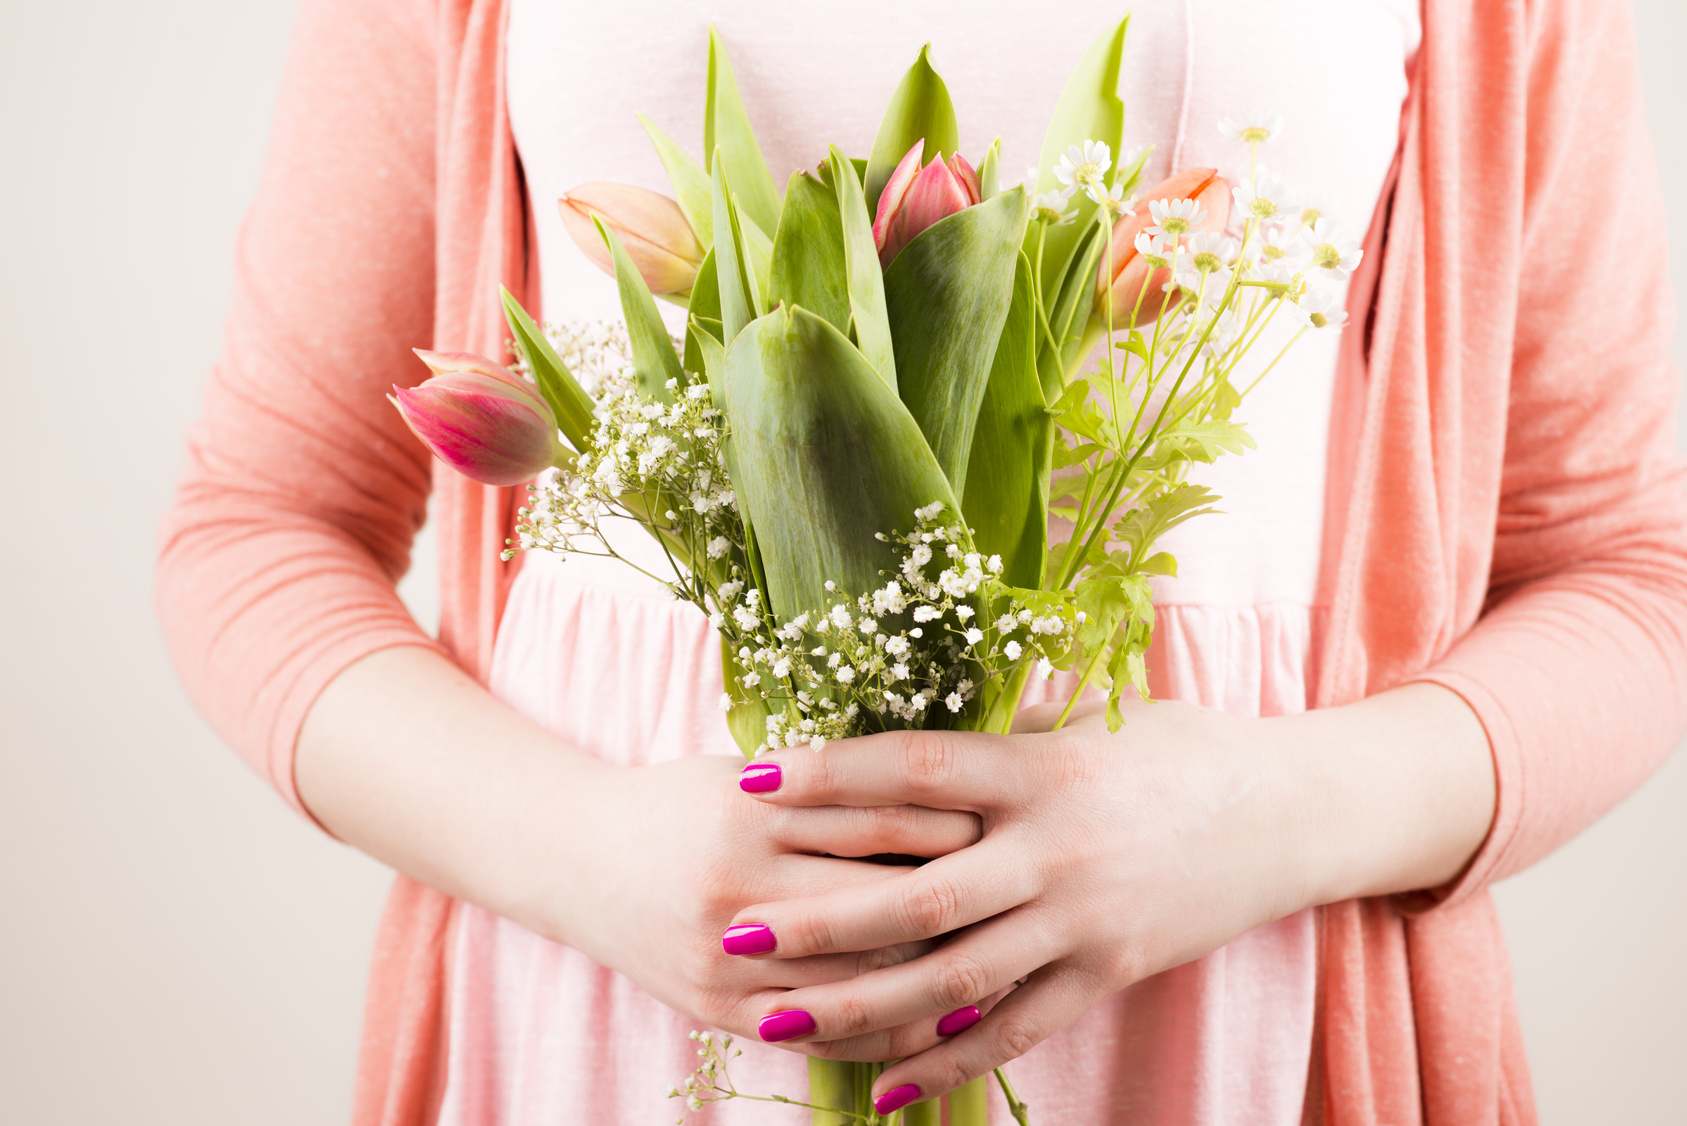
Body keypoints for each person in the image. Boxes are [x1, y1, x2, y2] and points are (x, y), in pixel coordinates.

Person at [156, 0, 1686, 1123]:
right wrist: (588, 855)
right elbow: (260, 519)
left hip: (1225, 998)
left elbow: (1636, 569)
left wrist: (1264, 819)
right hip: (614, 993)